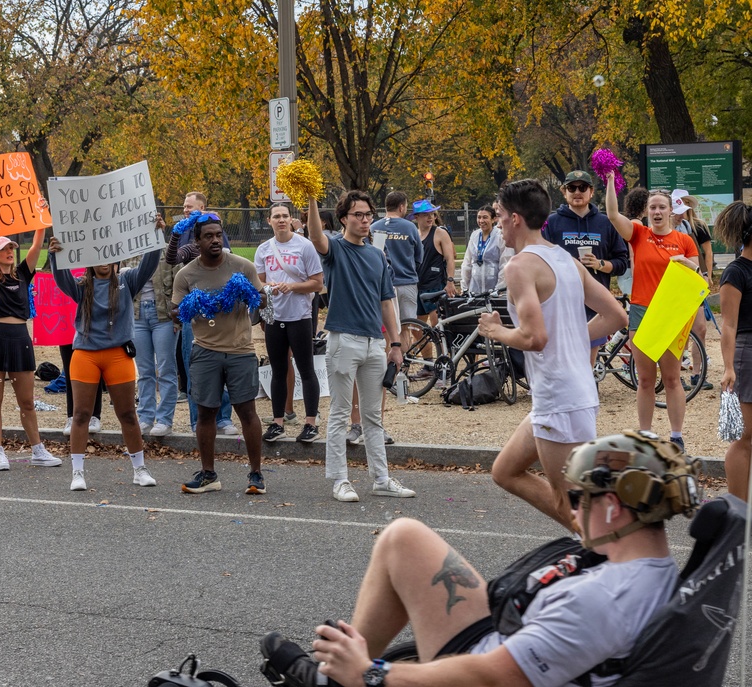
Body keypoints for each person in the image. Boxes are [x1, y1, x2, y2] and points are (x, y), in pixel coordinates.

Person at [260, 431, 693, 687]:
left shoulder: (602, 602)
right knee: (404, 537)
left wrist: (370, 673)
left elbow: (493, 678)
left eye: (580, 498)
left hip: (485, 666)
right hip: (508, 635)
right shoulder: (651, 568)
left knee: (400, 543)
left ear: (616, 508)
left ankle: (338, 681)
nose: (573, 509)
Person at [478, 179, 627, 531]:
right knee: (505, 471)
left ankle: (612, 562)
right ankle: (601, 548)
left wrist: (496, 330)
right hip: (568, 394)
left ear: (515, 219)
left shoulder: (518, 267)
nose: (497, 223)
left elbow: (535, 337)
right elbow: (615, 317)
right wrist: (571, 340)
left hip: (560, 399)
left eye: (499, 215)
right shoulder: (566, 258)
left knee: (573, 506)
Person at [306, 190, 415, 502]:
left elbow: (386, 303)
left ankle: (381, 478)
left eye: (368, 214)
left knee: (373, 417)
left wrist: (395, 343)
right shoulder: (336, 249)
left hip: (374, 343)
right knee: (340, 413)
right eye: (358, 214)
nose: (365, 219)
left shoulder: (377, 255)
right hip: (343, 339)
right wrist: (313, 199)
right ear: (344, 219)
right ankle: (340, 479)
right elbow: (316, 237)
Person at [49, 236, 161, 491]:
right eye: (98, 255)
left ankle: (139, 469)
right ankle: (77, 472)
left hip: (118, 355)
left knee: (128, 414)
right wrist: (55, 255)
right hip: (86, 355)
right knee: (81, 415)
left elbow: (149, 263)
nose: (104, 260)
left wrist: (154, 237)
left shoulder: (127, 280)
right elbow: (61, 279)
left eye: (109, 254)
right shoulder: (81, 285)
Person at [171, 212, 266, 495]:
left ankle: (256, 474)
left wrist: (246, 292)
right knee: (206, 413)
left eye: (218, 235)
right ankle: (209, 474)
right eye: (208, 236)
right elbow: (174, 311)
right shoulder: (186, 274)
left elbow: (261, 298)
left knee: (247, 411)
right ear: (197, 242)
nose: (215, 240)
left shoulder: (242, 266)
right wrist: (192, 303)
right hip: (204, 350)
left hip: (240, 350)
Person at [605, 174, 699, 451]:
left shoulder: (684, 240)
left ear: (671, 211)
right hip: (642, 309)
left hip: (670, 313)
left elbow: (698, 276)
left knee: (671, 378)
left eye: (662, 207)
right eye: (653, 207)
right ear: (646, 211)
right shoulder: (638, 234)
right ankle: (645, 434)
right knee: (645, 379)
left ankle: (677, 435)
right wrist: (610, 181)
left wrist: (684, 261)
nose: (657, 212)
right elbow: (612, 214)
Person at [0, 227, 61, 471]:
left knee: (26, 401)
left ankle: (37, 449)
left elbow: (37, 244)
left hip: (20, 339)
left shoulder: (23, 274)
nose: (9, 252)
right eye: (4, 249)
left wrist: (40, 221)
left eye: (11, 248)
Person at [166, 192, 239, 436]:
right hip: (192, 310)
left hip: (220, 310)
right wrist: (176, 233)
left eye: (190, 207)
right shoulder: (189, 239)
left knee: (223, 364)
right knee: (193, 364)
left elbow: (229, 260)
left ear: (203, 208)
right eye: (184, 207)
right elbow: (172, 258)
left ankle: (224, 418)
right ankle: (198, 420)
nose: (186, 210)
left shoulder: (217, 231)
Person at [542, 171, 630, 366]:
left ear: (591, 192)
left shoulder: (605, 223)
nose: (577, 192)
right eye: (571, 188)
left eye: (582, 188)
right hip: (561, 300)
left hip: (594, 303)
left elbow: (622, 262)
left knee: (586, 362)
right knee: (561, 358)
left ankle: (587, 393)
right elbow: (540, 260)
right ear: (564, 192)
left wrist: (599, 264)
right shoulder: (552, 222)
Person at [255, 203, 324, 444]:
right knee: (278, 370)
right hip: (275, 317)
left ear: (291, 219)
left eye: (285, 216)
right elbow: (258, 283)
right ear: (269, 221)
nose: (281, 220)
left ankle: (310, 422)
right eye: (277, 216)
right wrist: (267, 289)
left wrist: (292, 286)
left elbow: (317, 283)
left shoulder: (304, 246)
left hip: (300, 315)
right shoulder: (263, 249)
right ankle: (278, 422)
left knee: (306, 369)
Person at [714, 200, 752, 501]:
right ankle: (739, 511)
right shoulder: (736, 272)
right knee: (745, 438)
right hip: (746, 353)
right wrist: (728, 368)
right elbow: (728, 326)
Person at [132, 214, 180, 437]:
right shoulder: (129, 252)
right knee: (144, 370)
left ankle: (164, 419)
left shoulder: (169, 251)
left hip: (164, 315)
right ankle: (145, 416)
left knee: (166, 369)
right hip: (137, 315)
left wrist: (177, 315)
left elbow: (180, 283)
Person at [370, 192, 424, 349]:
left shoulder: (374, 227)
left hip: (383, 285)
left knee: (385, 329)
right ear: (401, 207)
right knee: (405, 328)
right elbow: (419, 257)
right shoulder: (410, 227)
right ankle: (403, 368)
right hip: (407, 282)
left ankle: (388, 365)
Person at [674, 196, 714, 392]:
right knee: (677, 331)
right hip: (674, 287)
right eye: (678, 209)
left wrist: (704, 275)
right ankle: (675, 375)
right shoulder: (663, 232)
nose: (681, 213)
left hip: (693, 283)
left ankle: (697, 374)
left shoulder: (689, 228)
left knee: (700, 329)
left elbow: (700, 253)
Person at [414, 199, 456, 327]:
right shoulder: (414, 234)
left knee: (437, 325)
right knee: (416, 328)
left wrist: (450, 281)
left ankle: (441, 347)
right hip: (418, 286)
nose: (430, 217)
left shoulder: (440, 233)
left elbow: (450, 258)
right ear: (417, 217)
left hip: (435, 285)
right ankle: (426, 348)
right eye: (426, 214)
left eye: (432, 214)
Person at [460, 205, 511, 295]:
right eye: (479, 217)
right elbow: (467, 263)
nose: (481, 221)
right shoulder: (474, 236)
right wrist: (465, 287)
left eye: (485, 217)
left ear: (493, 219)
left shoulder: (500, 236)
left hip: (494, 289)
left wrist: (499, 288)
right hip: (475, 289)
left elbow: (505, 263)